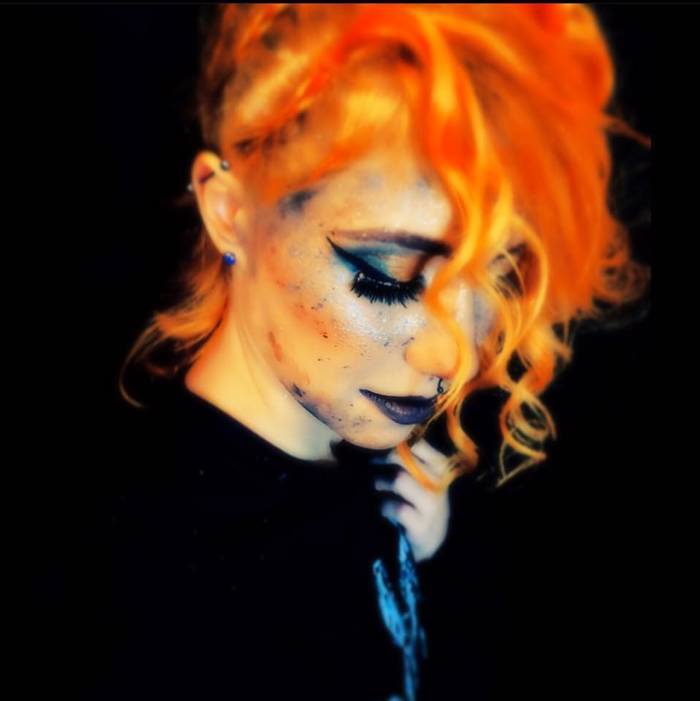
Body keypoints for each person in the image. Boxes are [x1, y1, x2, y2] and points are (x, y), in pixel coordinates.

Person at [111, 4, 650, 700]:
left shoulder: (384, 470)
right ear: (232, 213)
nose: (454, 359)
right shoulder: (151, 584)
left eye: (496, 277)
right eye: (385, 277)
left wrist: (429, 553)